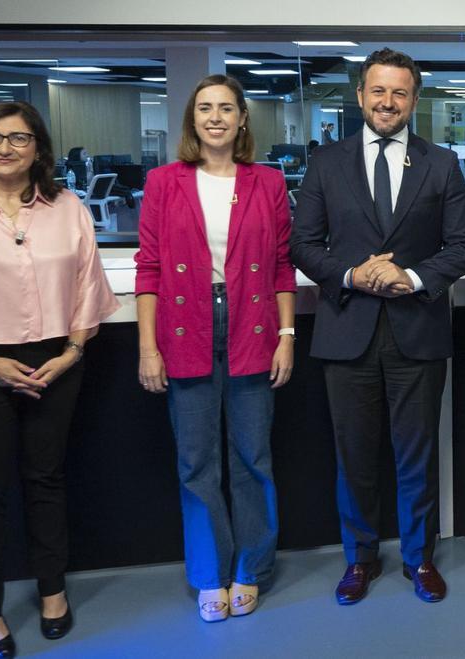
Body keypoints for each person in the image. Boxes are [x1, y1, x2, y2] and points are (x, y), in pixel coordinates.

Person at [0, 101, 119, 658]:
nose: (5, 148)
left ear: (39, 147)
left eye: (19, 137)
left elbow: (88, 284)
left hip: (57, 359)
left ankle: (52, 590)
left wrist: (73, 350)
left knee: (47, 479)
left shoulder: (66, 208)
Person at [290, 48, 465, 605]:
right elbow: (303, 244)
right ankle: (360, 558)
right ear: (360, 96)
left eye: (400, 93)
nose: (388, 102)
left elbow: (463, 245)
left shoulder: (441, 163)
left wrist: (412, 277)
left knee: (416, 454)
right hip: (346, 329)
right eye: (378, 91)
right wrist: (353, 274)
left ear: (414, 100)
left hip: (415, 329)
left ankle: (419, 559)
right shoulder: (326, 162)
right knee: (354, 455)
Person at [135, 74, 297, 621]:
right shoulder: (163, 182)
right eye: (204, 108)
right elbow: (149, 268)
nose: (215, 118)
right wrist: (147, 349)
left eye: (226, 108)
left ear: (242, 119)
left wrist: (286, 335)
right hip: (186, 324)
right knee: (196, 460)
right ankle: (210, 574)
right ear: (192, 118)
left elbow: (281, 266)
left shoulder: (267, 182)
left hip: (251, 321)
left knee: (253, 457)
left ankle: (251, 568)